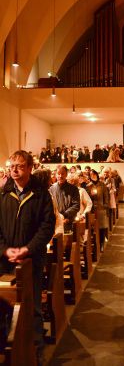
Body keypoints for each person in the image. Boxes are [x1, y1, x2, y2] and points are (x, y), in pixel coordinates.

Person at [0, 150, 56, 363]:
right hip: (5, 260)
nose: (14, 169)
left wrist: (28, 249)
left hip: (31, 260)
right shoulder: (3, 194)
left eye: (20, 166)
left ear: (30, 168)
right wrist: (5, 250)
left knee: (32, 308)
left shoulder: (41, 194)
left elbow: (47, 226)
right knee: (5, 305)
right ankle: (11, 351)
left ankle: (36, 352)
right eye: (12, 165)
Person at [49, 165, 80, 233]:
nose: (60, 176)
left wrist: (65, 215)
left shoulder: (73, 189)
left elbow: (76, 205)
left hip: (69, 222)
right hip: (55, 224)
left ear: (66, 174)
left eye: (62, 173)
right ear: (56, 174)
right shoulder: (51, 189)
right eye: (58, 173)